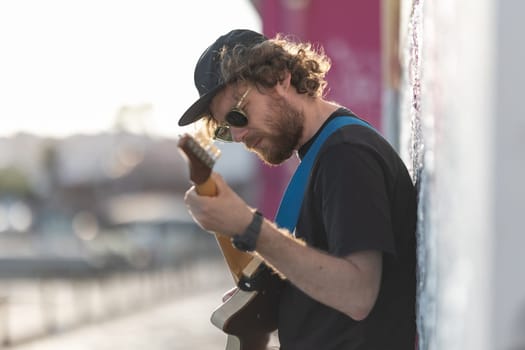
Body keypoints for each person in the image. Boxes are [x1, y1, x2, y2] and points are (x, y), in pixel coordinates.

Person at [180, 29, 417, 350]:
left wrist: (248, 227)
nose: (237, 136)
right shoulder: (323, 154)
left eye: (239, 114)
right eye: (225, 129)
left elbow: (358, 293)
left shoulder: (346, 155)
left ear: (279, 78)